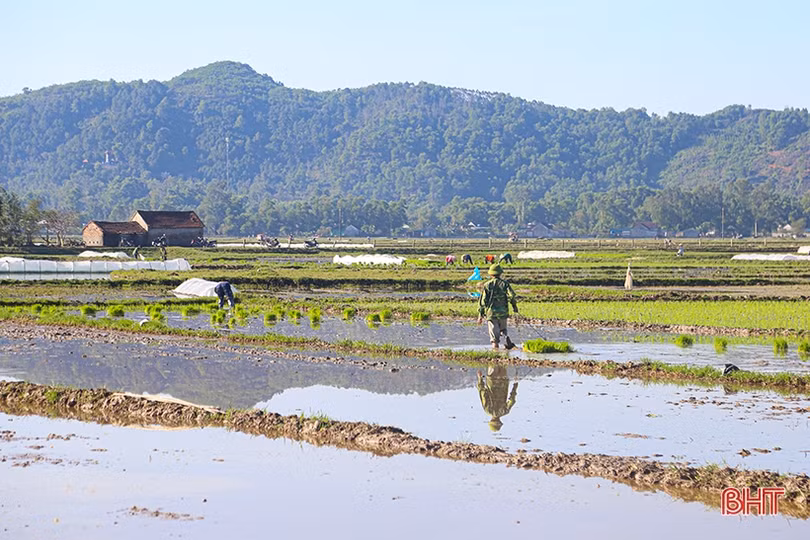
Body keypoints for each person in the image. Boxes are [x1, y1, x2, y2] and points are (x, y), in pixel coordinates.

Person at [478, 264, 518, 349]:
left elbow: (483, 301)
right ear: (500, 273)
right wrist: (514, 306)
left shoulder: (487, 285)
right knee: (503, 329)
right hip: (503, 312)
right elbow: (512, 296)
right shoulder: (505, 284)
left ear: (490, 274)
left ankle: (495, 351)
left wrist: (480, 315)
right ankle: (506, 338)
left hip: (491, 313)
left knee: (494, 339)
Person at [477, 365, 518, 431]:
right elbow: (483, 393)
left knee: (503, 362)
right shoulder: (488, 411)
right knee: (493, 362)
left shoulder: (505, 411)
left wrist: (515, 385)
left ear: (500, 421)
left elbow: (512, 400)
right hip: (492, 381)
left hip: (503, 381)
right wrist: (480, 379)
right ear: (491, 421)